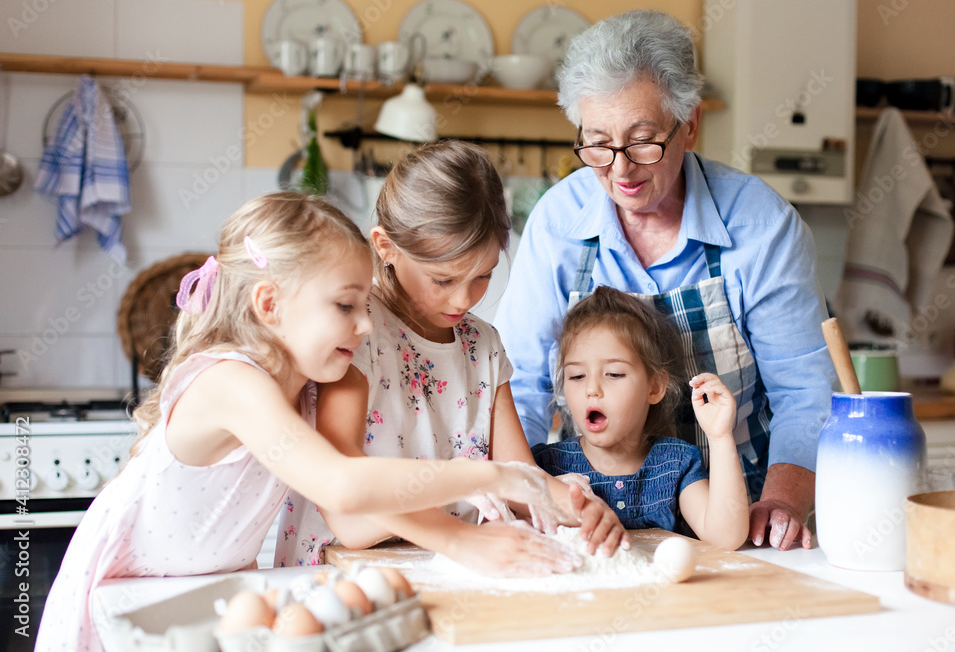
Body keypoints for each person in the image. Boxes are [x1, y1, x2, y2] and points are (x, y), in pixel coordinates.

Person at [36, 193, 572, 651]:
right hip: (125, 593)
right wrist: (487, 478)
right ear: (269, 303)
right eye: (345, 305)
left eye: (365, 303)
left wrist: (476, 525)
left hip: (201, 594)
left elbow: (361, 492)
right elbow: (341, 482)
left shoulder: (310, 384)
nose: (366, 324)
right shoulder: (231, 382)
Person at [494, 10, 837, 551]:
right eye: (597, 144)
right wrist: (531, 502)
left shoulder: (761, 227)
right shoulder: (559, 224)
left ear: (691, 124)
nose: (621, 169)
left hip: (737, 521)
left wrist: (784, 501)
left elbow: (805, 392)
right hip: (594, 524)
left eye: (643, 141)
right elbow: (520, 388)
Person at [276, 142, 628, 575]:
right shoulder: (356, 334)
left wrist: (580, 509)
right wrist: (460, 493)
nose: (464, 298)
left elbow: (519, 477)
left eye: (483, 275)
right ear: (385, 247)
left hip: (451, 566)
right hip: (344, 573)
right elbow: (346, 511)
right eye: (442, 279)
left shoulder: (483, 346)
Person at [532, 286, 749, 550]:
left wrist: (719, 436)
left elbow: (725, 537)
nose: (591, 389)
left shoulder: (675, 464)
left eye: (613, 374)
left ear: (655, 387)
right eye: (577, 376)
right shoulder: (546, 468)